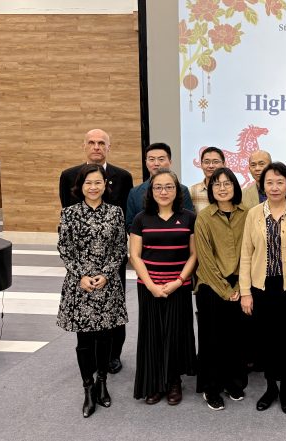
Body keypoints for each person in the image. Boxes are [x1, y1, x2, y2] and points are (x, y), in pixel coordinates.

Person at [240, 162, 286, 415]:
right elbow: (246, 254)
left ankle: (285, 390)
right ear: (262, 186)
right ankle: (270, 388)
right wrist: (245, 292)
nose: (274, 187)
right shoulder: (254, 214)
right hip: (261, 288)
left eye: (279, 182)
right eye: (269, 182)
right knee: (266, 340)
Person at [59, 128, 133, 375]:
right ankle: (89, 364)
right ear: (84, 146)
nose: (96, 147)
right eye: (91, 142)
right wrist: (80, 271)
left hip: (111, 262)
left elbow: (125, 220)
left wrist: (110, 267)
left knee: (113, 311)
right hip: (80, 265)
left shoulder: (123, 176)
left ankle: (113, 356)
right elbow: (66, 224)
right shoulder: (68, 176)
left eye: (101, 142)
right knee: (85, 317)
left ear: (108, 147)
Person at [57, 164, 128, 418]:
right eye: (88, 183)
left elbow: (120, 248)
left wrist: (106, 274)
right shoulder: (69, 213)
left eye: (98, 182)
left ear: (105, 185)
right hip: (80, 286)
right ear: (81, 186)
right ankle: (88, 388)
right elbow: (64, 248)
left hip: (107, 285)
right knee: (84, 341)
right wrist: (81, 276)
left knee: (105, 337)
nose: (93, 187)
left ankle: (102, 383)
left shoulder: (116, 213)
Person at [129, 168, 197, 405]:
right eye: (158, 187)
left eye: (169, 187)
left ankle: (174, 381)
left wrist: (178, 281)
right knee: (153, 335)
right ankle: (155, 383)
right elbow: (135, 256)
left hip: (179, 286)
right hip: (149, 287)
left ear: (177, 191)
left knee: (176, 334)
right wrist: (151, 286)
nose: (164, 191)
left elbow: (194, 254)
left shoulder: (189, 217)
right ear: (151, 191)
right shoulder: (141, 219)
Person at [195, 167, 248, 411]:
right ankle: (211, 387)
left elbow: (251, 252)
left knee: (235, 338)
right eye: (217, 184)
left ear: (235, 186)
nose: (222, 188)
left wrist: (239, 286)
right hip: (211, 286)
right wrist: (227, 290)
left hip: (240, 283)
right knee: (212, 340)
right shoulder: (204, 217)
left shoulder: (247, 214)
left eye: (227, 183)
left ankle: (232, 382)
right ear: (211, 189)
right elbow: (205, 259)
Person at [126, 143, 194, 230]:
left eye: (161, 159)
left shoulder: (182, 190)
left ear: (170, 162)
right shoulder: (135, 192)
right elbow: (130, 224)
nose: (156, 163)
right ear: (146, 162)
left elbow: (189, 221)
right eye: (151, 159)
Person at [189, 146, 225, 213]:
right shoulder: (192, 191)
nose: (211, 166)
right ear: (201, 164)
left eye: (215, 162)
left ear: (224, 164)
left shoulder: (230, 190)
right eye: (206, 162)